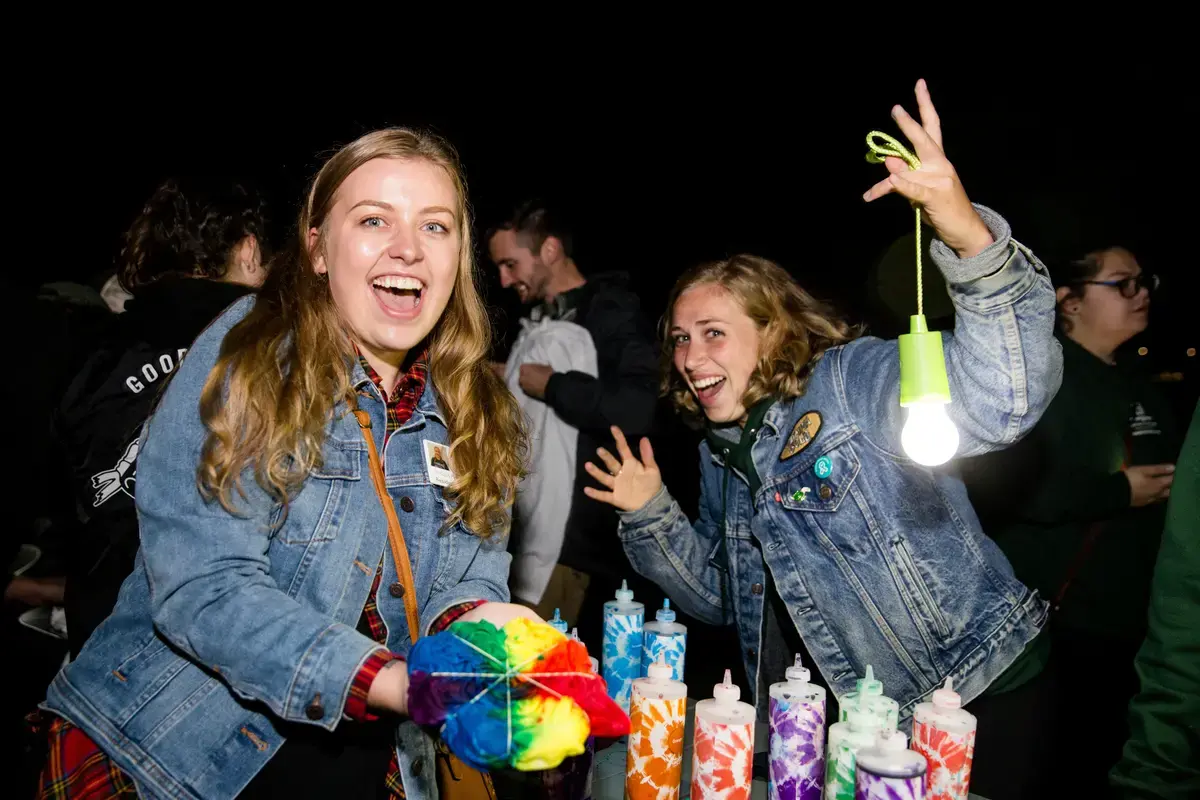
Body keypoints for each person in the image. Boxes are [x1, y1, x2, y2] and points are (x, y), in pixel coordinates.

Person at [582, 81, 1062, 799]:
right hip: (836, 728)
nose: (689, 357)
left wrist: (967, 237)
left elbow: (1002, 403)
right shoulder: (723, 453)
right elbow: (723, 599)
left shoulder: (849, 381)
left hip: (973, 693)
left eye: (714, 334)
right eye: (681, 339)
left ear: (773, 331)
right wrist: (652, 511)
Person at [36, 128, 535, 800]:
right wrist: (397, 682)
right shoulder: (251, 352)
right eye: (373, 220)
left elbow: (467, 577)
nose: (408, 248)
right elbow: (204, 586)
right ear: (317, 248)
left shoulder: (475, 404)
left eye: (435, 226)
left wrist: (498, 633)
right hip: (165, 754)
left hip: (359, 765)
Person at [962, 245, 1181, 794]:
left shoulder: (1142, 386)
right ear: (1070, 303)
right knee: (1045, 772)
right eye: (1122, 283)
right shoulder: (1043, 382)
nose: (1142, 292)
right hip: (1055, 626)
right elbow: (1008, 490)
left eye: (1144, 280)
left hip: (1130, 626)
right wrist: (1116, 492)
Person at [54, 177, 270, 658]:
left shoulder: (89, 354)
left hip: (100, 636)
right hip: (220, 642)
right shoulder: (271, 339)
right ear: (250, 249)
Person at [487, 201, 659, 643]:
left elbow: (640, 407)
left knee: (541, 673)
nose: (504, 280)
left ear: (549, 250)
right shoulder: (546, 316)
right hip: (528, 530)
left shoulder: (610, 312)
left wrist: (556, 386)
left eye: (511, 264)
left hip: (576, 544)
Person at [1109, 400, 1198, 799]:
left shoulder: (1140, 383)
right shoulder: (1061, 380)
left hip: (1136, 598)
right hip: (1085, 609)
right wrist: (1118, 490)